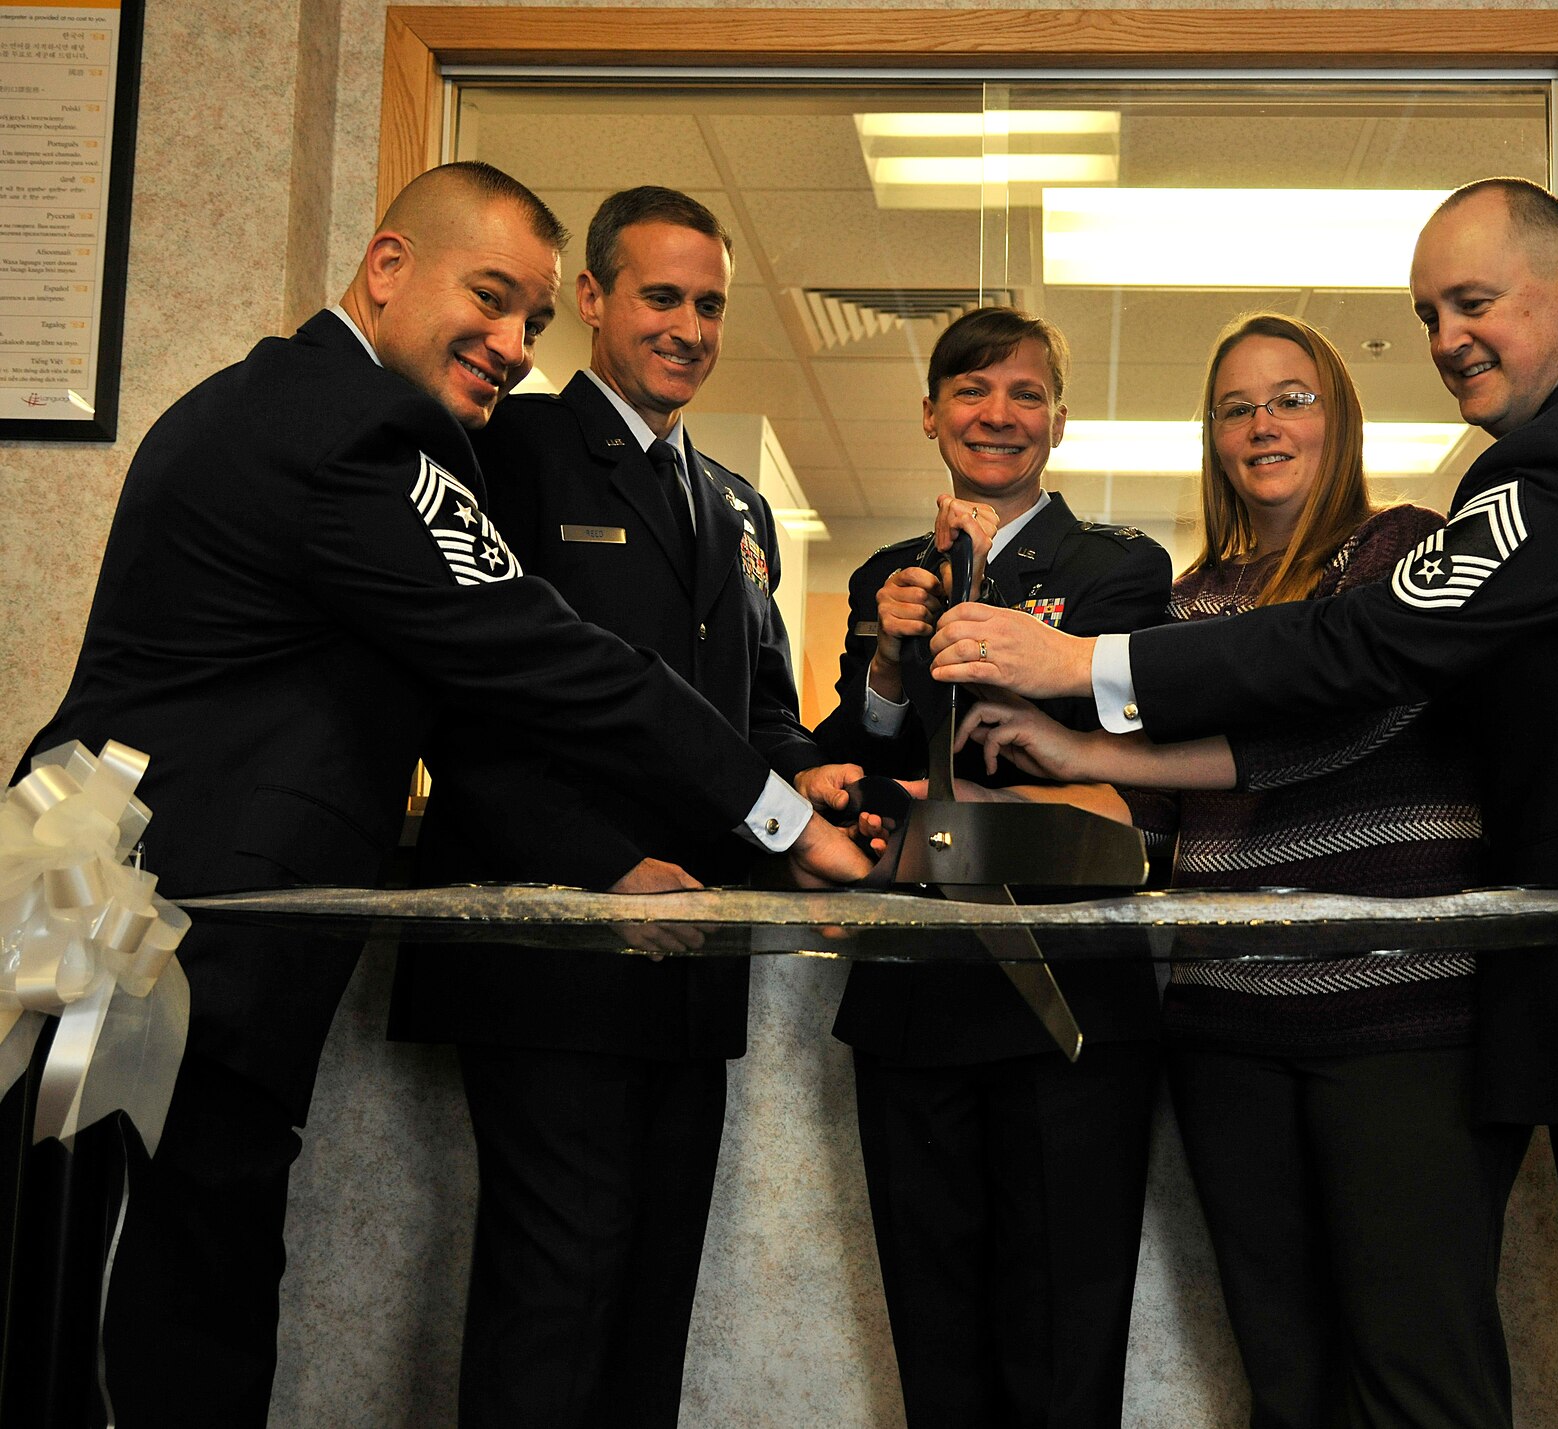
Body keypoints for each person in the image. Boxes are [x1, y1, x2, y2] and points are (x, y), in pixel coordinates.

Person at [934, 180, 1558, 1428]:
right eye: (1429, 312)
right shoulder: (1555, 455)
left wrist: (1083, 667)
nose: (1447, 337)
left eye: (1474, 302)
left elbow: (1360, 650)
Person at [14, 161, 870, 1428]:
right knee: (130, 1315)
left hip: (163, 925)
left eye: (530, 317)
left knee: (182, 1280)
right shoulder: (352, 428)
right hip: (136, 928)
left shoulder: (302, 403)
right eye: (491, 296)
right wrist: (779, 819)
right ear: (387, 265)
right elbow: (541, 657)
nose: (514, 344)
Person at [955, 312, 1512, 1428]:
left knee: (1418, 1374)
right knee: (1283, 1376)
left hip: (1397, 1017)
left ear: (1338, 416)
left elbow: (1339, 724)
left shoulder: (1402, 551)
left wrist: (1087, 741)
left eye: (1290, 397)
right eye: (1235, 406)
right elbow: (1154, 810)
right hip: (1227, 1026)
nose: (1262, 424)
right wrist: (980, 794)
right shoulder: (1194, 600)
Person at [385, 186, 852, 1428]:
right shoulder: (511, 451)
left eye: (708, 303)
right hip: (559, 941)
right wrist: (598, 869)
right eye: (661, 296)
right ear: (590, 299)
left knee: (652, 1300)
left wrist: (813, 781)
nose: (688, 327)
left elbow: (756, 713)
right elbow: (464, 705)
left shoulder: (737, 505)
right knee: (556, 1292)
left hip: (693, 955)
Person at [811, 306, 1173, 1428]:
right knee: (936, 1337)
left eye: (1023, 393)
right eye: (971, 392)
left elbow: (1080, 747)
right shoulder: (887, 574)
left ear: (1058, 420)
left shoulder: (1118, 568)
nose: (997, 414)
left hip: (1071, 1002)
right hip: (912, 996)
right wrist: (883, 654)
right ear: (930, 415)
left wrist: (966, 591)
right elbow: (849, 769)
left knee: (1062, 1338)